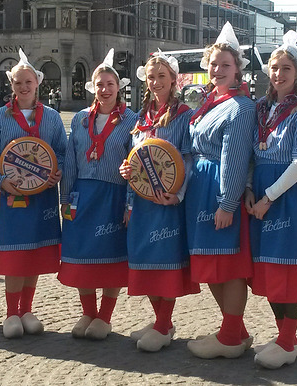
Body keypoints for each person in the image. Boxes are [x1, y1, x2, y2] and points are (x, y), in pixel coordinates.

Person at [244, 31, 297, 369]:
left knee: (289, 268)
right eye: (275, 68)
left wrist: (267, 197)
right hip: (262, 192)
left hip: (286, 196)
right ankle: (284, 337)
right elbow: (252, 155)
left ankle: (287, 339)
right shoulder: (262, 108)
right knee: (268, 267)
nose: (279, 74)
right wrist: (250, 189)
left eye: (286, 69)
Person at [0, 49, 66, 339]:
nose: (23, 87)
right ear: (11, 85)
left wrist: (58, 173)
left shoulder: (52, 117)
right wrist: (2, 181)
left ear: (37, 83)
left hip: (42, 197)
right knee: (15, 255)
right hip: (12, 196)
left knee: (35, 253)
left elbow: (63, 154)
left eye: (27, 82)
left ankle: (27, 309)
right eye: (18, 83)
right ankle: (11, 312)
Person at [118, 51, 200, 352]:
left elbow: (189, 160)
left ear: (174, 79)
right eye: (151, 77)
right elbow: (135, 158)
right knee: (146, 260)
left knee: (166, 261)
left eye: (161, 77)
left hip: (167, 201)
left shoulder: (184, 116)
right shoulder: (140, 118)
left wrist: (177, 195)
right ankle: (160, 321)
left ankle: (164, 324)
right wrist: (126, 172)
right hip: (141, 202)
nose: (155, 82)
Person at [184, 23, 256, 359]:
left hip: (218, 190)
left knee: (227, 265)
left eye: (225, 65)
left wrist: (227, 203)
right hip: (200, 187)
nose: (218, 69)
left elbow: (235, 158)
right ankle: (236, 332)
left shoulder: (240, 107)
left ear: (237, 69)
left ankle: (228, 337)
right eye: (214, 64)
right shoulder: (211, 101)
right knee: (210, 263)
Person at [58, 49, 138, 340]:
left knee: (110, 255)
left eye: (110, 84)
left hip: (113, 194)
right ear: (93, 87)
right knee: (82, 254)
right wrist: (65, 198)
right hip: (82, 194)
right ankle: (87, 312)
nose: (105, 90)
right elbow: (69, 161)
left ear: (119, 88)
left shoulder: (132, 120)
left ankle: (105, 316)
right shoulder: (80, 119)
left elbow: (135, 163)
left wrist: (130, 203)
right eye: (100, 84)